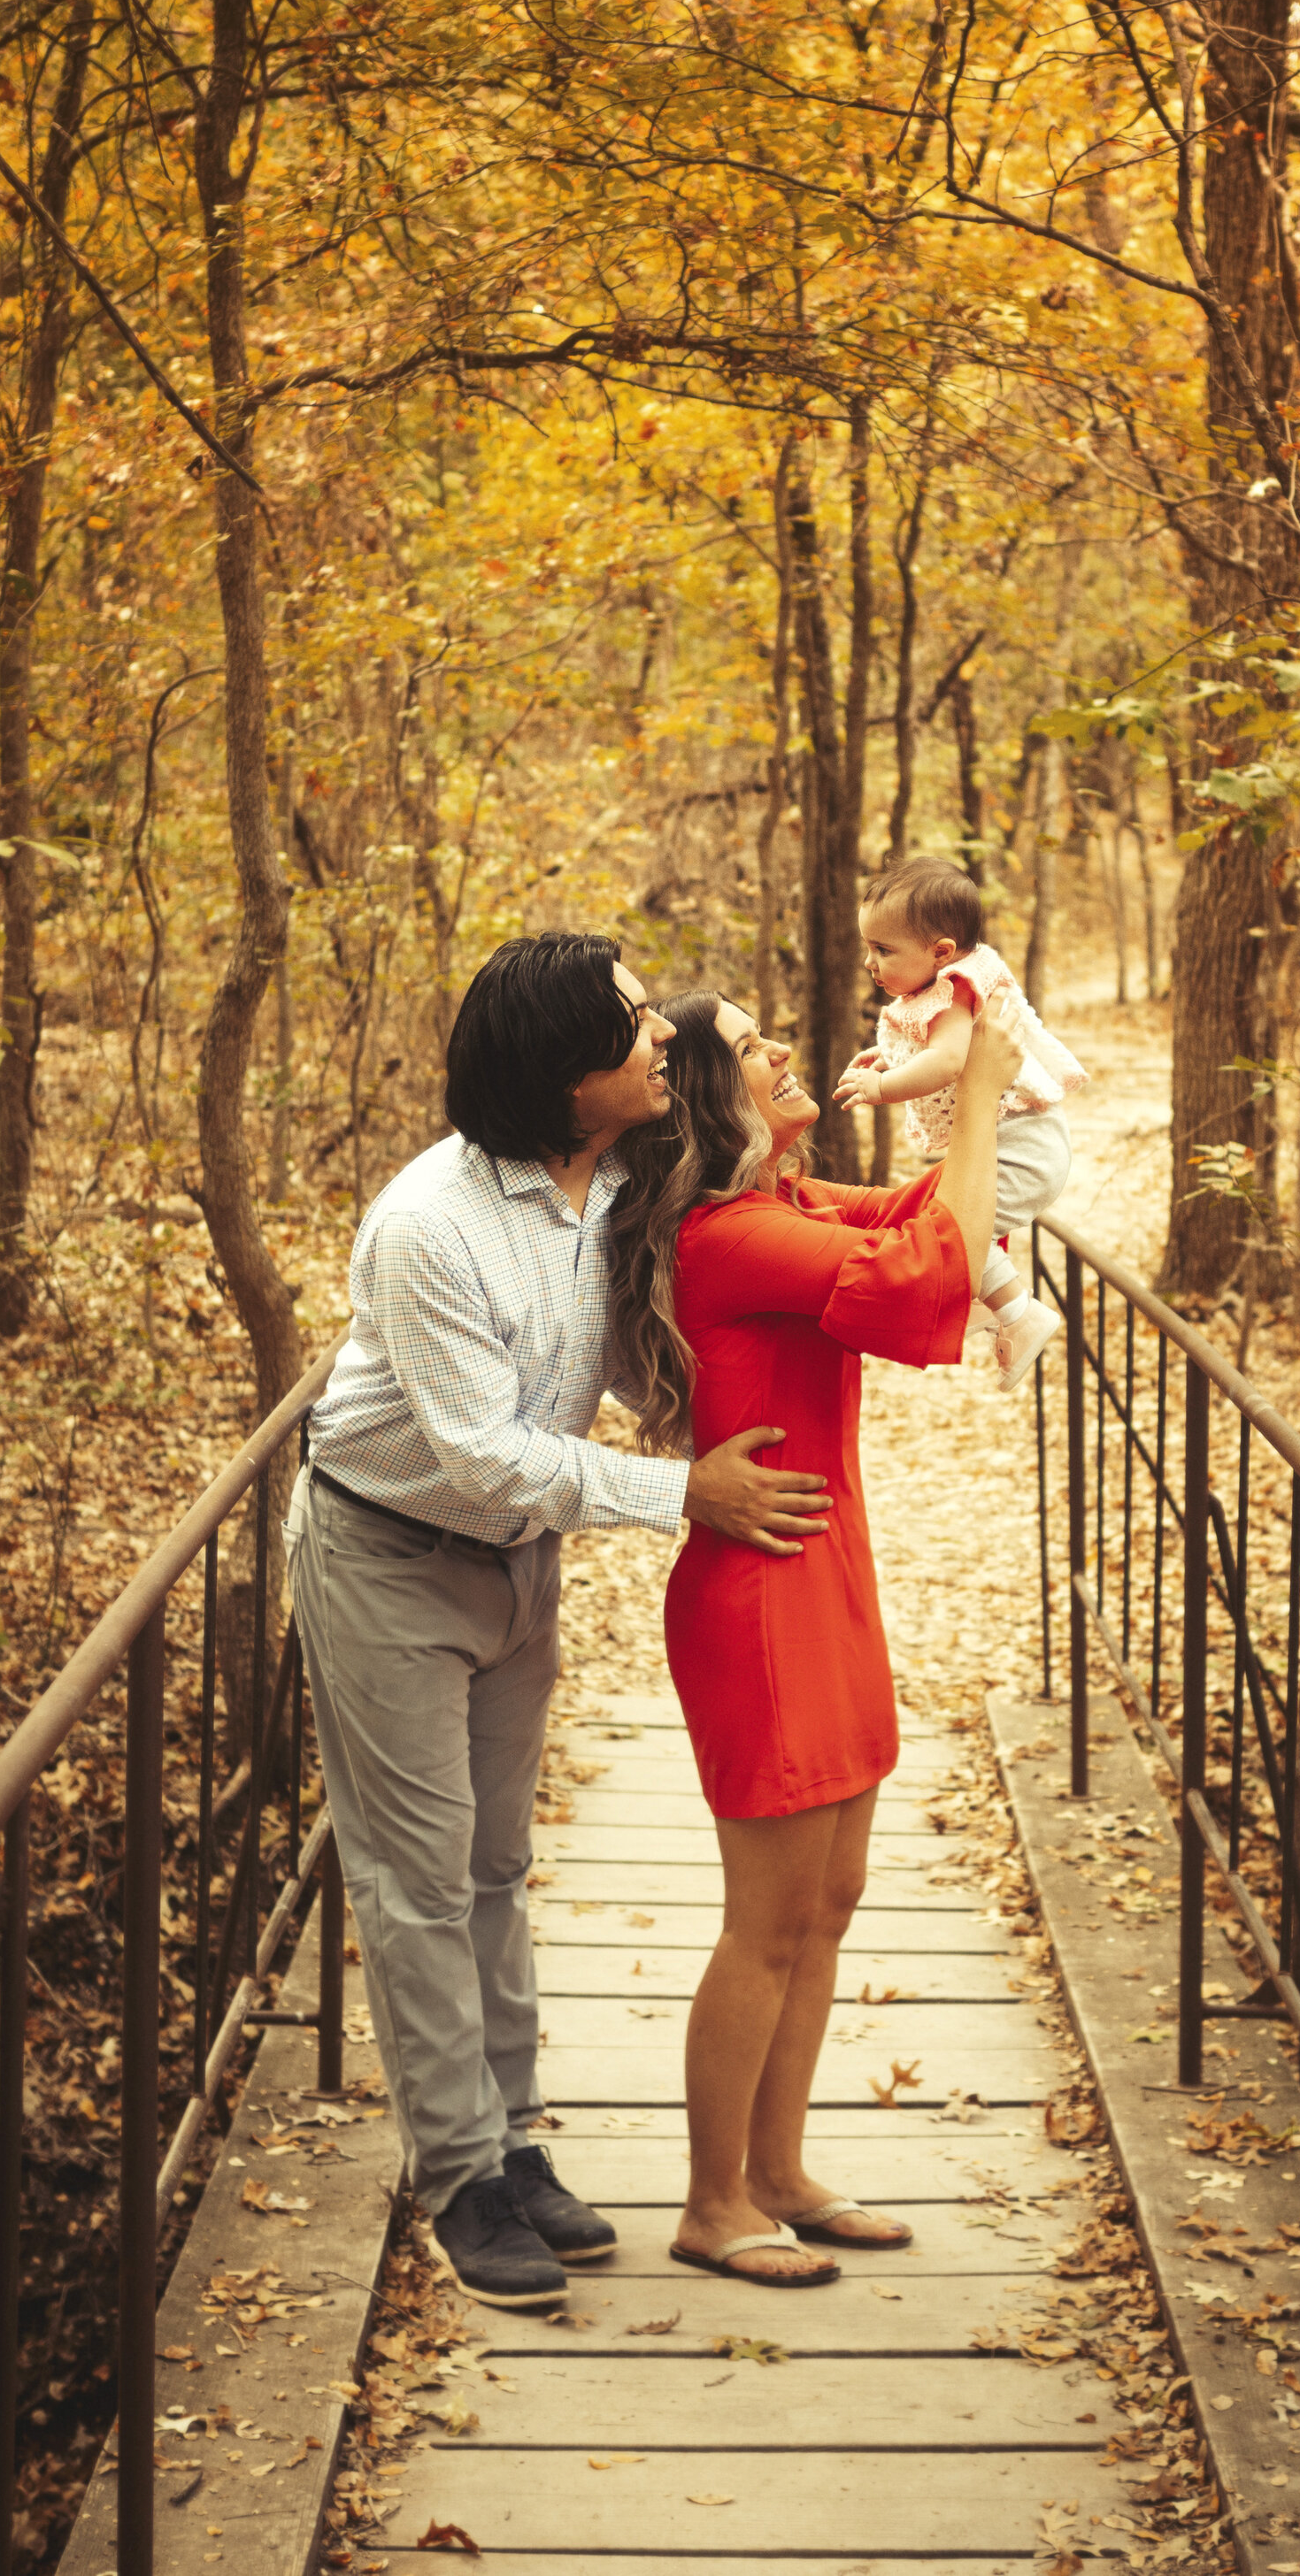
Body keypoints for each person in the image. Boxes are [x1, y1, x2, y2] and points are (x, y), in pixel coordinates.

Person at [285, 934, 833, 2312]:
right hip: (390, 1556)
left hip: (520, 1563)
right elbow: (478, 1454)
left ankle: (515, 2143)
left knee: (495, 1864)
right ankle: (460, 2178)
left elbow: (746, 1207)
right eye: (637, 1025)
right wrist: (683, 1491)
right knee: (415, 1881)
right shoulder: (429, 1226)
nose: (664, 1038)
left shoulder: (627, 1174)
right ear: (565, 1072)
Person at [607, 987, 1024, 2284]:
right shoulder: (726, 1233)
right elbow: (931, 1275)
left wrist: (968, 1110)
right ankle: (712, 2202)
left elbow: (924, 1224)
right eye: (744, 1050)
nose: (777, 1050)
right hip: (763, 1596)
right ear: (702, 1102)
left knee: (829, 1901)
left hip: (827, 1569)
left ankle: (781, 2170)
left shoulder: (784, 1205)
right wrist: (976, 1093)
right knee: (769, 1917)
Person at [832, 855, 1085, 1389]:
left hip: (1023, 1145)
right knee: (947, 1228)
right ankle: (982, 1299)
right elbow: (939, 1055)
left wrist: (883, 1089)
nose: (869, 963)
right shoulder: (946, 987)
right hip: (1019, 1140)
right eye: (867, 948)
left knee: (954, 1232)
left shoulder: (952, 991)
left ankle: (1017, 1314)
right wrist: (888, 1063)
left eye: (882, 950)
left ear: (941, 951)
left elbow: (947, 1062)